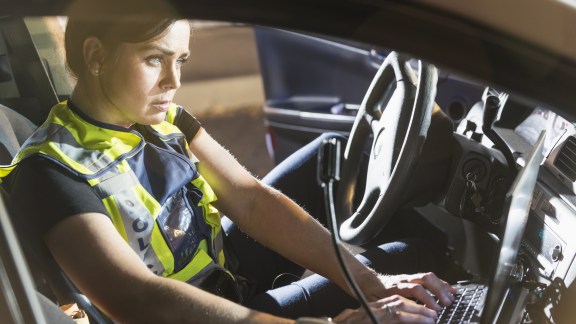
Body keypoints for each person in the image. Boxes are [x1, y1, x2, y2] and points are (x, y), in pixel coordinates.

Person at [2, 17, 455, 323]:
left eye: (180, 60)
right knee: (409, 256)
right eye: (154, 59)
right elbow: (136, 298)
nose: (174, 82)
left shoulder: (163, 119)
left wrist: (371, 285)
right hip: (198, 311)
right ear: (96, 55)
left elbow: (251, 199)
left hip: (224, 271)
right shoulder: (49, 171)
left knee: (332, 163)